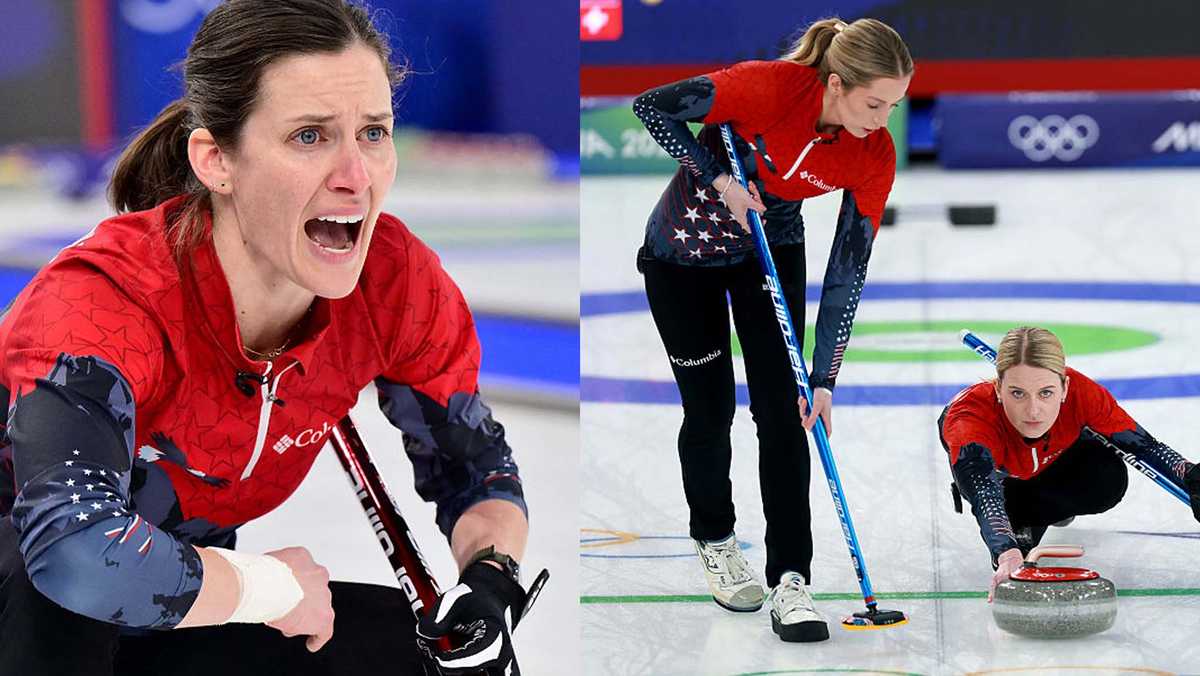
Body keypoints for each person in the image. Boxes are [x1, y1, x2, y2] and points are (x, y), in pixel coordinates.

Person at [0, 2, 539, 674]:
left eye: (373, 133)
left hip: (157, 614)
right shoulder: (103, 305)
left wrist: (490, 586)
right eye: (309, 137)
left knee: (413, 653)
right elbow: (73, 551)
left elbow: (476, 471)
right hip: (42, 606)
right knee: (53, 597)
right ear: (217, 159)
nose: (355, 175)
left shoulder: (394, 283)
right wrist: (268, 587)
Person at [630, 17, 912, 642]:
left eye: (894, 105)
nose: (883, 120)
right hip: (683, 255)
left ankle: (792, 578)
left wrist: (825, 377)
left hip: (769, 247)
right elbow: (652, 107)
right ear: (836, 83)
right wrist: (721, 179)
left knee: (787, 414)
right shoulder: (766, 88)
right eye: (874, 103)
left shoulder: (873, 153)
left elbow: (847, 270)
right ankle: (716, 539)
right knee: (708, 414)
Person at [939, 326, 1200, 601]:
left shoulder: (1083, 393)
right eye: (1017, 393)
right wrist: (1006, 551)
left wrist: (1191, 475)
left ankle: (1048, 506)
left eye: (1046, 393)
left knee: (1106, 477)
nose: (1033, 410)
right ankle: (1022, 518)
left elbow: (1145, 447)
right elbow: (984, 495)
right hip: (1004, 482)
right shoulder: (969, 421)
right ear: (998, 389)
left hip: (1053, 459)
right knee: (1000, 497)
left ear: (1065, 388)